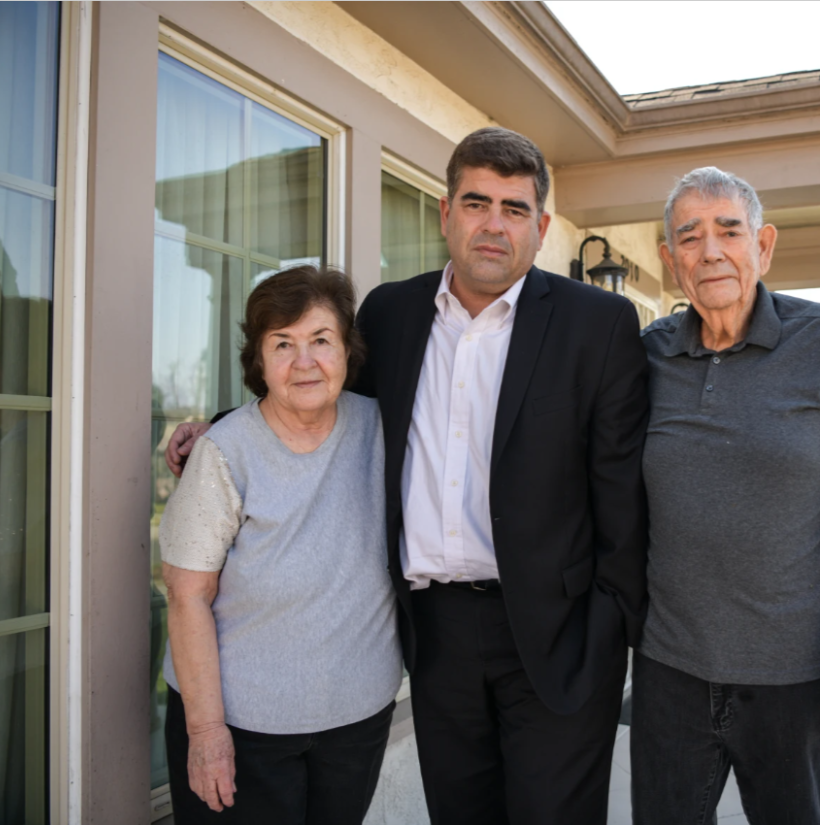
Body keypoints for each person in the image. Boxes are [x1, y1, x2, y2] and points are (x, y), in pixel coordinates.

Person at [170, 126, 649, 824]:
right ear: (445, 212)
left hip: (558, 633)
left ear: (542, 227)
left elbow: (620, 490)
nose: (494, 224)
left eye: (514, 209)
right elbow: (317, 390)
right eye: (477, 202)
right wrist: (221, 429)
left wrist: (610, 628)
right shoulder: (393, 313)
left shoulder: (598, 323)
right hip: (436, 634)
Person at [631, 167, 820, 825]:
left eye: (730, 230)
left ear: (764, 245)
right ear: (670, 261)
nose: (712, 251)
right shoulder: (646, 356)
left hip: (798, 676)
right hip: (671, 668)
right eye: (690, 238)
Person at [160, 266, 402, 825]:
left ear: (347, 349)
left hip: (356, 723)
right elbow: (186, 596)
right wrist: (207, 733)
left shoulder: (386, 428)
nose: (304, 361)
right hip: (242, 733)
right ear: (259, 360)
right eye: (283, 344)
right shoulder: (224, 452)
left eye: (321, 340)